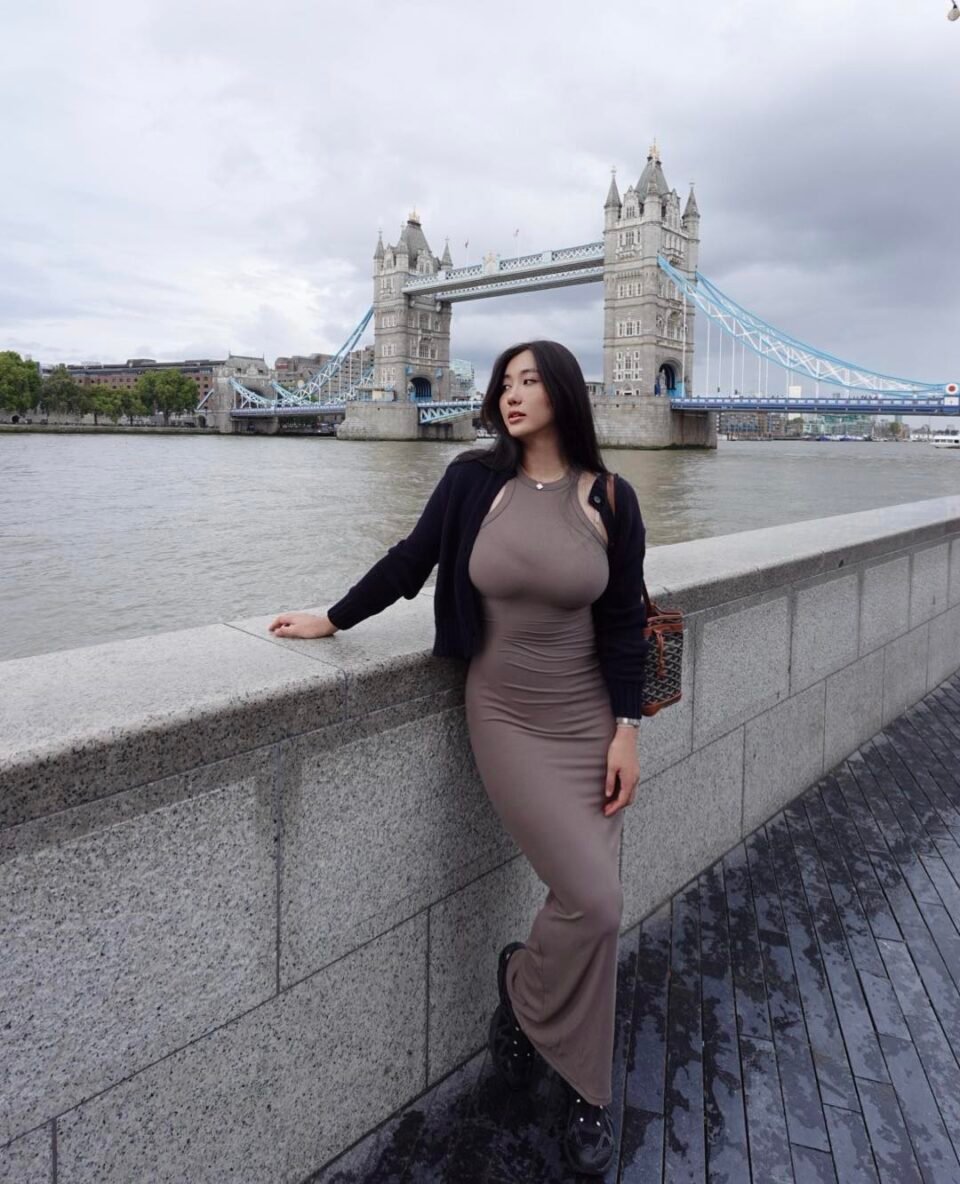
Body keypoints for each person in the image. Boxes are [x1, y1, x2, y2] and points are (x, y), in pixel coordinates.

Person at [269, 340, 649, 1177]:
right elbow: (413, 560)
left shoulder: (610, 498)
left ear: (563, 394)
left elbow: (626, 621)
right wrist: (333, 617)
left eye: (530, 381)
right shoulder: (474, 482)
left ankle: (574, 1072)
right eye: (504, 382)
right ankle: (538, 1011)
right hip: (506, 713)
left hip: (588, 717)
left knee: (593, 907)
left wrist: (627, 727)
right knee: (594, 900)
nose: (512, 395)